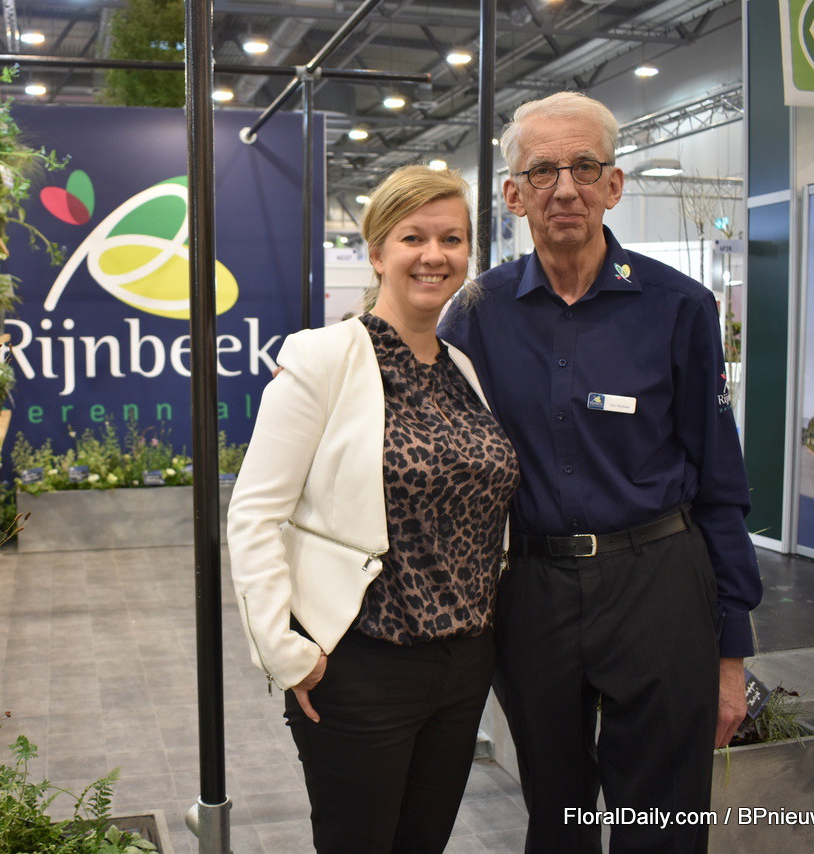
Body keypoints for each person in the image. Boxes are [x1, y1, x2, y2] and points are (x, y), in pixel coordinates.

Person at [438, 91, 762, 853]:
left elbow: (720, 485)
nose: (565, 189)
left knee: (663, 817)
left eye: (585, 168)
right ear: (513, 194)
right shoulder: (476, 314)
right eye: (542, 171)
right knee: (557, 815)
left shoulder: (679, 307)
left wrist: (731, 654)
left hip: (658, 583)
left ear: (614, 185)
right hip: (532, 594)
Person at [227, 164, 518, 854]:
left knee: (423, 842)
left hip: (464, 665)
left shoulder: (463, 369)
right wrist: (285, 653)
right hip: (363, 666)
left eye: (452, 239)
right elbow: (254, 514)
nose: (434, 255)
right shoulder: (324, 358)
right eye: (413, 237)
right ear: (378, 252)